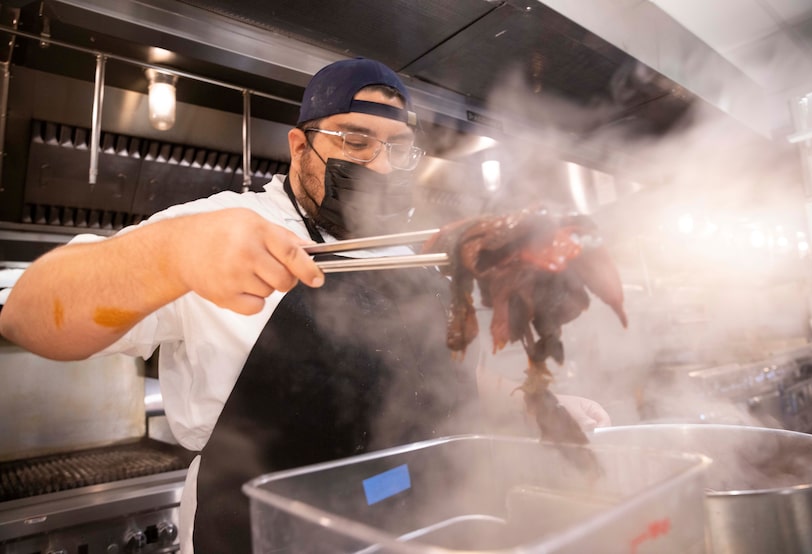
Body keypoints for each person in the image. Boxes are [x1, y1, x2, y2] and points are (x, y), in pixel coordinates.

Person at [0, 57, 609, 552]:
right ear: (299, 146)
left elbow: (440, 382)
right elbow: (27, 315)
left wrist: (524, 405)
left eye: (397, 147)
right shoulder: (217, 227)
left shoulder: (408, 253)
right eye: (354, 139)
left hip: (411, 523)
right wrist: (169, 256)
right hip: (254, 533)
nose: (378, 162)